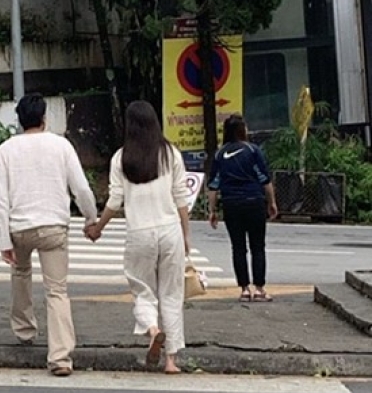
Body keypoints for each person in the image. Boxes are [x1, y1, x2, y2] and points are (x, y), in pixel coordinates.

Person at [0, 92, 99, 376]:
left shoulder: (5, 150)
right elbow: (81, 188)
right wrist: (91, 219)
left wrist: (4, 241)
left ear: (19, 120)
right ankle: (61, 357)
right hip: (53, 226)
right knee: (57, 290)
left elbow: (1, 201)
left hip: (19, 227)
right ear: (43, 118)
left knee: (20, 274)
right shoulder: (61, 146)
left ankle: (25, 330)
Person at [85, 100, 191, 375]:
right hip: (170, 230)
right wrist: (186, 234)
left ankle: (153, 329)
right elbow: (181, 197)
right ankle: (171, 361)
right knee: (172, 293)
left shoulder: (121, 158)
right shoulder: (171, 154)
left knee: (142, 290)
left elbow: (116, 200)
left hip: (140, 233)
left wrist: (98, 227)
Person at [207, 113, 278, 303]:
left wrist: (212, 210)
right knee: (258, 246)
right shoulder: (253, 150)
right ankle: (260, 289)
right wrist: (271, 203)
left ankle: (245, 289)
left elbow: (213, 185)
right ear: (241, 130)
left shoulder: (220, 154)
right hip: (254, 201)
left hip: (231, 204)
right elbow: (265, 179)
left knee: (238, 247)